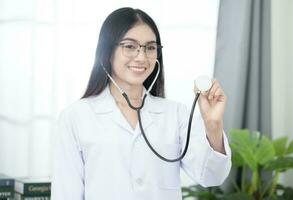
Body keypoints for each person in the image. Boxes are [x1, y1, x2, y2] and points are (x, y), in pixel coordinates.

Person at [51, 7, 231, 200]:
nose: (142, 57)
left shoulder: (175, 114)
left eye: (150, 47)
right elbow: (66, 193)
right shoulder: (76, 116)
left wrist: (213, 125)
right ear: (107, 51)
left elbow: (212, 176)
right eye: (129, 46)